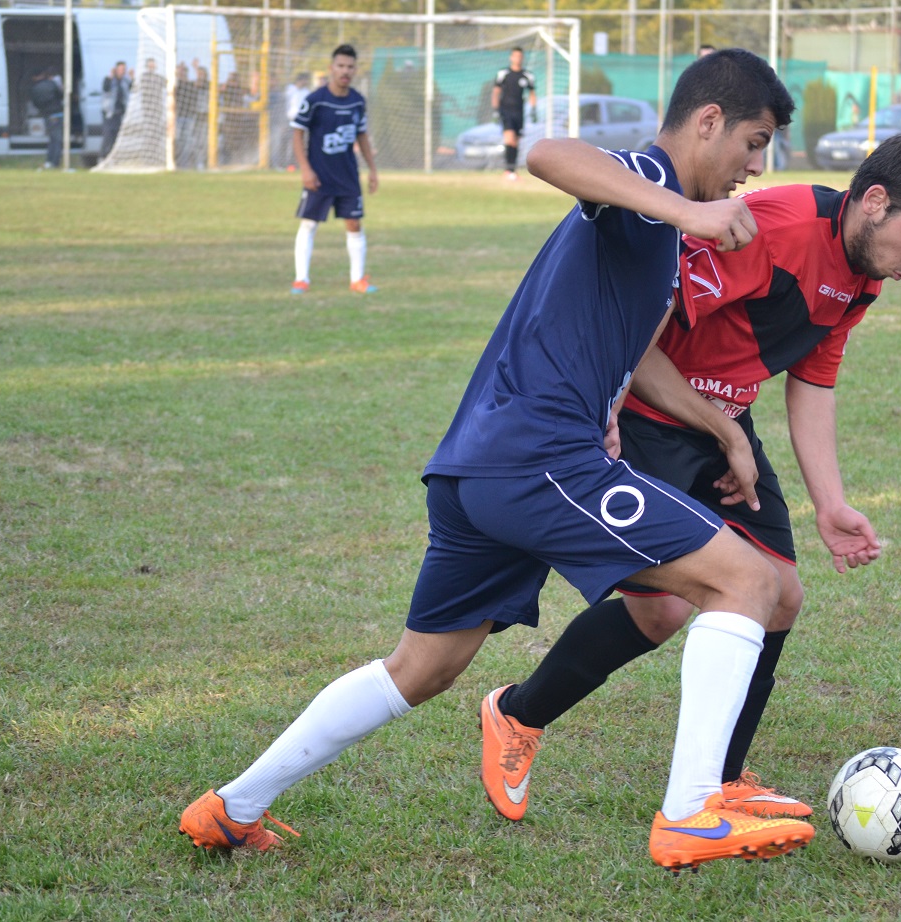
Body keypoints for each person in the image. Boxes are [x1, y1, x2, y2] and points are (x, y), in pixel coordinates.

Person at [179, 48, 805, 874]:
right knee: (752, 583)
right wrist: (682, 214)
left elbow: (604, 333)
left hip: (483, 466)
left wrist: (637, 412)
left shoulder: (654, 215)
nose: (753, 168)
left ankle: (231, 806)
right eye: (753, 142)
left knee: (422, 666)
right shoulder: (649, 181)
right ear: (708, 121)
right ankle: (692, 813)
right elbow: (550, 154)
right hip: (538, 464)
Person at [478, 133, 901, 825]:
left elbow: (812, 383)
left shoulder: (862, 272)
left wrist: (830, 505)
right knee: (662, 610)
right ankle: (516, 714)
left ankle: (721, 779)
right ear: (873, 202)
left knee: (780, 596)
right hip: (652, 418)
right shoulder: (770, 231)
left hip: (721, 425)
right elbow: (637, 333)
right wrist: (679, 421)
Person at [289, 44, 380, 295]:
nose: (345, 71)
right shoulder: (316, 101)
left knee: (354, 224)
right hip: (319, 174)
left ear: (355, 70)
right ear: (331, 68)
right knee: (309, 224)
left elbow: (362, 135)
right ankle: (301, 279)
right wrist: (305, 170)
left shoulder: (357, 101)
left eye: (350, 67)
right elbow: (297, 133)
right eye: (341, 66)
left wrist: (372, 170)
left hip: (348, 175)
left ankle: (357, 279)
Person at [491, 47, 536, 180]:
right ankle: (508, 169)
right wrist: (495, 110)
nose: (517, 58)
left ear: (522, 58)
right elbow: (495, 92)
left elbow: (532, 93)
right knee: (509, 138)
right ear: (511, 57)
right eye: (515, 56)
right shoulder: (503, 73)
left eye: (520, 56)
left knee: (515, 142)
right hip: (506, 111)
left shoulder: (527, 75)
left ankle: (512, 170)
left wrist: (533, 110)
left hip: (519, 112)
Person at [30, 67, 64, 170]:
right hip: (57, 114)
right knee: (57, 139)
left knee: (52, 138)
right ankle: (55, 162)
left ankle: (49, 160)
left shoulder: (35, 88)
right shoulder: (52, 84)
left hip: (46, 114)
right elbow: (60, 96)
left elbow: (35, 103)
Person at [101, 61, 132, 158]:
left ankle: (113, 158)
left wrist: (132, 78)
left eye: (124, 69)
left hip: (120, 114)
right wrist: (111, 75)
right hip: (109, 113)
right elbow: (105, 88)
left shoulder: (125, 81)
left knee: (117, 137)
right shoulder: (109, 80)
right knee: (108, 136)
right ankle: (102, 157)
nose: (122, 71)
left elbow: (133, 89)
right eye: (120, 69)